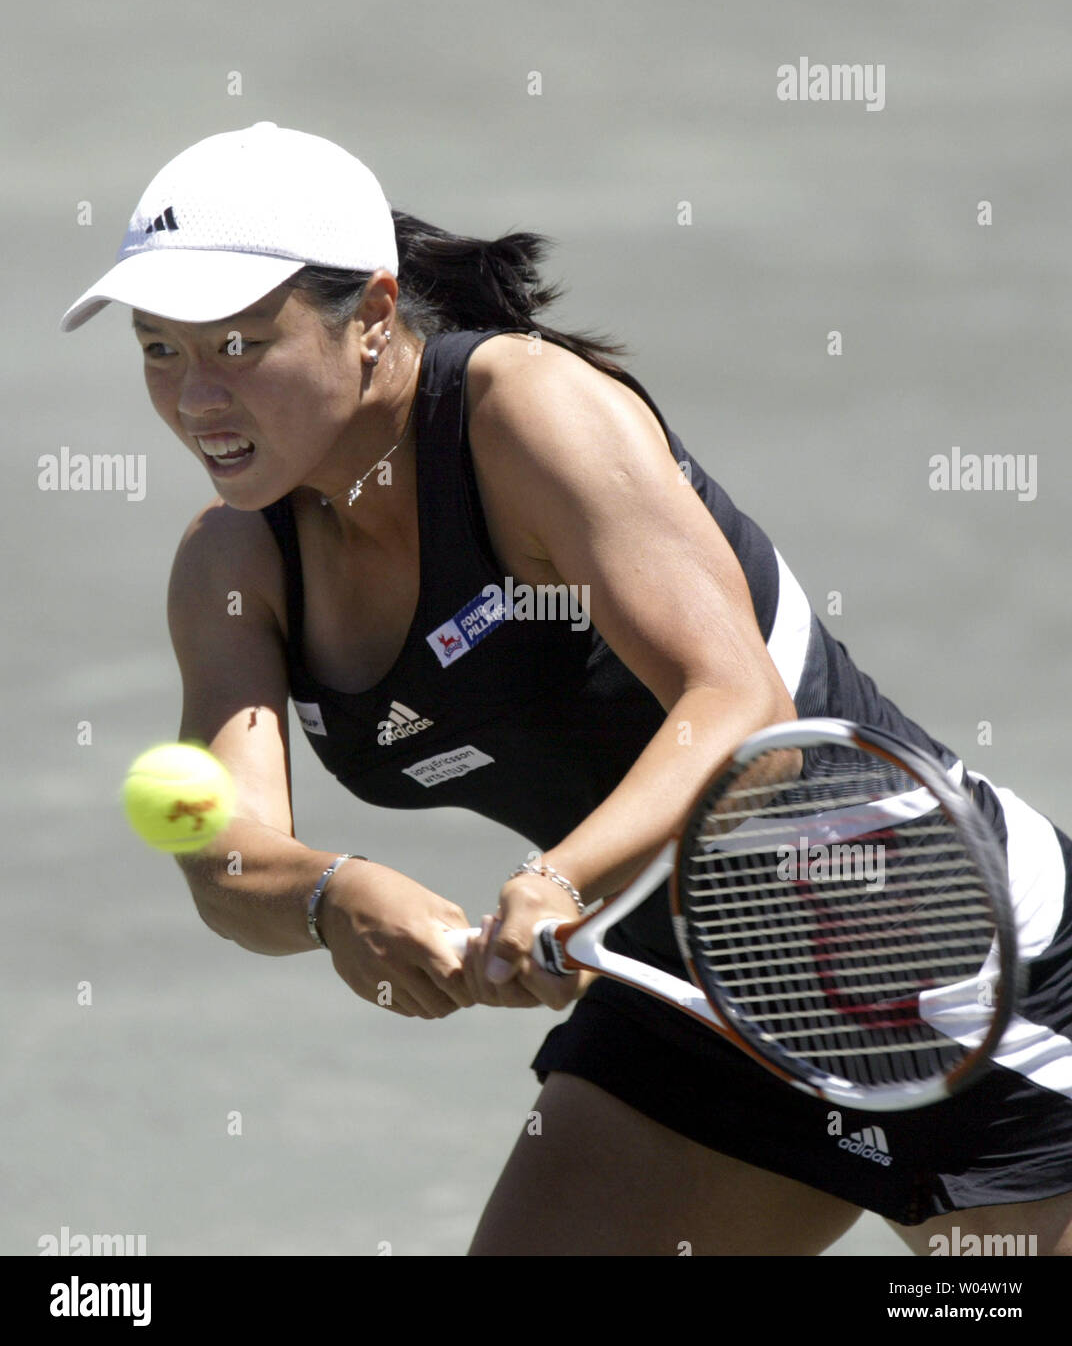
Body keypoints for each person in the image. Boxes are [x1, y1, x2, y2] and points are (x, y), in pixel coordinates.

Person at [62, 122, 1072, 1256]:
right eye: (160, 349)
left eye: (240, 344)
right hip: (688, 988)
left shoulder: (522, 411)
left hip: (943, 956)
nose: (197, 396)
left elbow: (746, 711)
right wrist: (329, 895)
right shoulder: (233, 564)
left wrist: (557, 877)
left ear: (375, 320)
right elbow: (226, 851)